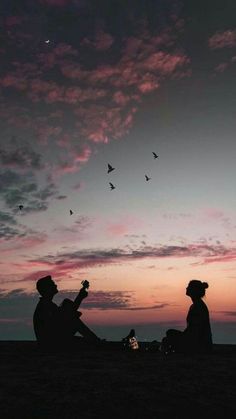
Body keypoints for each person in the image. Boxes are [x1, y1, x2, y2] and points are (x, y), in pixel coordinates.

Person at [33, 275, 100, 349]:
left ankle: (95, 341)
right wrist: (79, 297)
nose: (55, 285)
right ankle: (96, 341)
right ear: (47, 289)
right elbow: (65, 318)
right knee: (72, 317)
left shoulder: (47, 304)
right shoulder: (45, 305)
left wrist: (79, 297)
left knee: (86, 341)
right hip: (50, 343)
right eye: (52, 284)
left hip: (51, 341)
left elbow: (64, 317)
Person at [160, 280, 213, 354]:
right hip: (196, 340)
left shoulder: (198, 306)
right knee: (169, 335)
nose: (186, 288)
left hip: (198, 343)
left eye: (188, 286)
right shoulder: (196, 305)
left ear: (194, 290)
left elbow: (196, 330)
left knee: (169, 335)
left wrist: (183, 338)